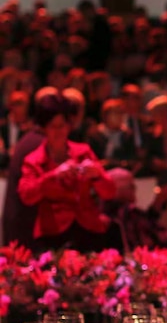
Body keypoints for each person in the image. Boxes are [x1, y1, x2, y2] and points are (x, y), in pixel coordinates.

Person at [18, 91, 117, 252]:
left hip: (88, 229)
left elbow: (109, 192)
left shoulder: (83, 152)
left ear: (69, 126)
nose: (59, 132)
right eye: (53, 127)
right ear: (44, 129)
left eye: (62, 125)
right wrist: (53, 176)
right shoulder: (34, 160)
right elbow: (27, 196)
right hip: (53, 234)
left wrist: (97, 176)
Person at [3, 88, 55, 247]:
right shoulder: (37, 144)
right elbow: (29, 192)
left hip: (23, 226)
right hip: (28, 229)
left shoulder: (30, 139)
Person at [103, 168, 167, 250]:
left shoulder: (106, 213)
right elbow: (152, 238)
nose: (134, 190)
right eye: (131, 186)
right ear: (118, 190)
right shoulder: (128, 213)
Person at [87, 98, 139, 172]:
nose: (120, 117)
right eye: (116, 113)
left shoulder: (127, 135)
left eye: (122, 113)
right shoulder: (95, 135)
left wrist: (114, 163)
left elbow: (132, 160)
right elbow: (90, 160)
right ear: (105, 116)